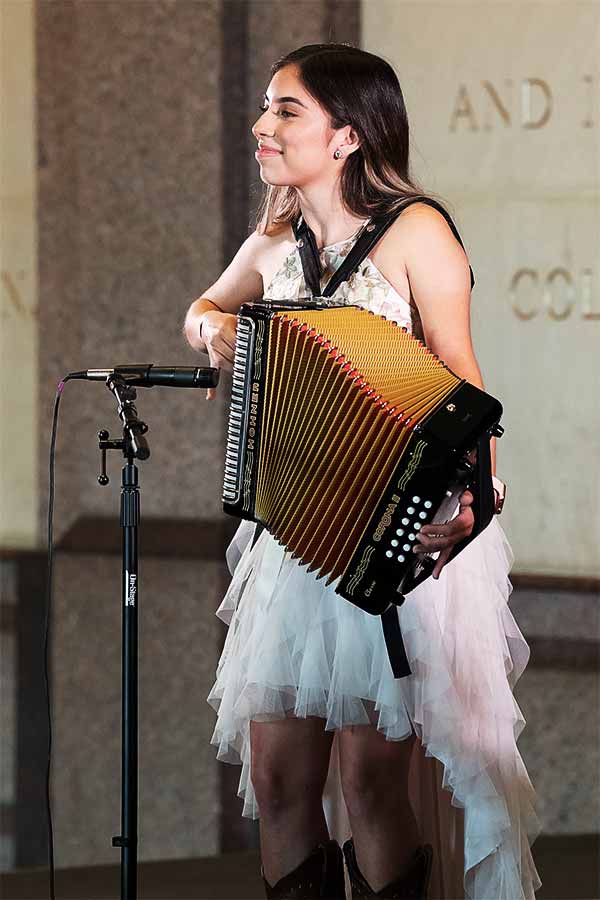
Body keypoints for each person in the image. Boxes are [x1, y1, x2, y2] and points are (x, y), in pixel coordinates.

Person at [184, 43, 541, 900]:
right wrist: (214, 332)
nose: (263, 126)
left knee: (371, 783)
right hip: (295, 533)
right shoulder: (275, 237)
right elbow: (205, 307)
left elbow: (461, 378)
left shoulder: (417, 229)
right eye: (265, 106)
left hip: (395, 539)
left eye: (285, 110)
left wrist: (475, 501)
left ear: (346, 135)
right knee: (275, 783)